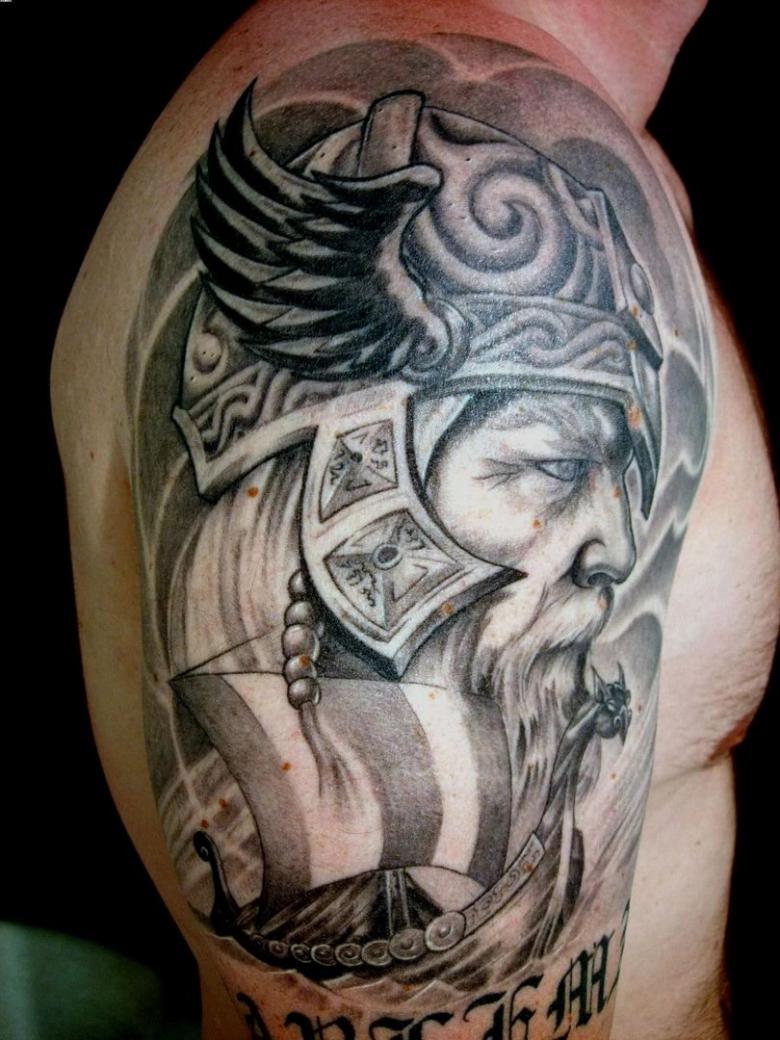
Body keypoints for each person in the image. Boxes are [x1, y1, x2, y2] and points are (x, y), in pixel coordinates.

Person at [50, 2, 779, 1037]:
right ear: (354, 472)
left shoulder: (593, 139)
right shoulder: (467, 131)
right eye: (552, 465)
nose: (618, 544)